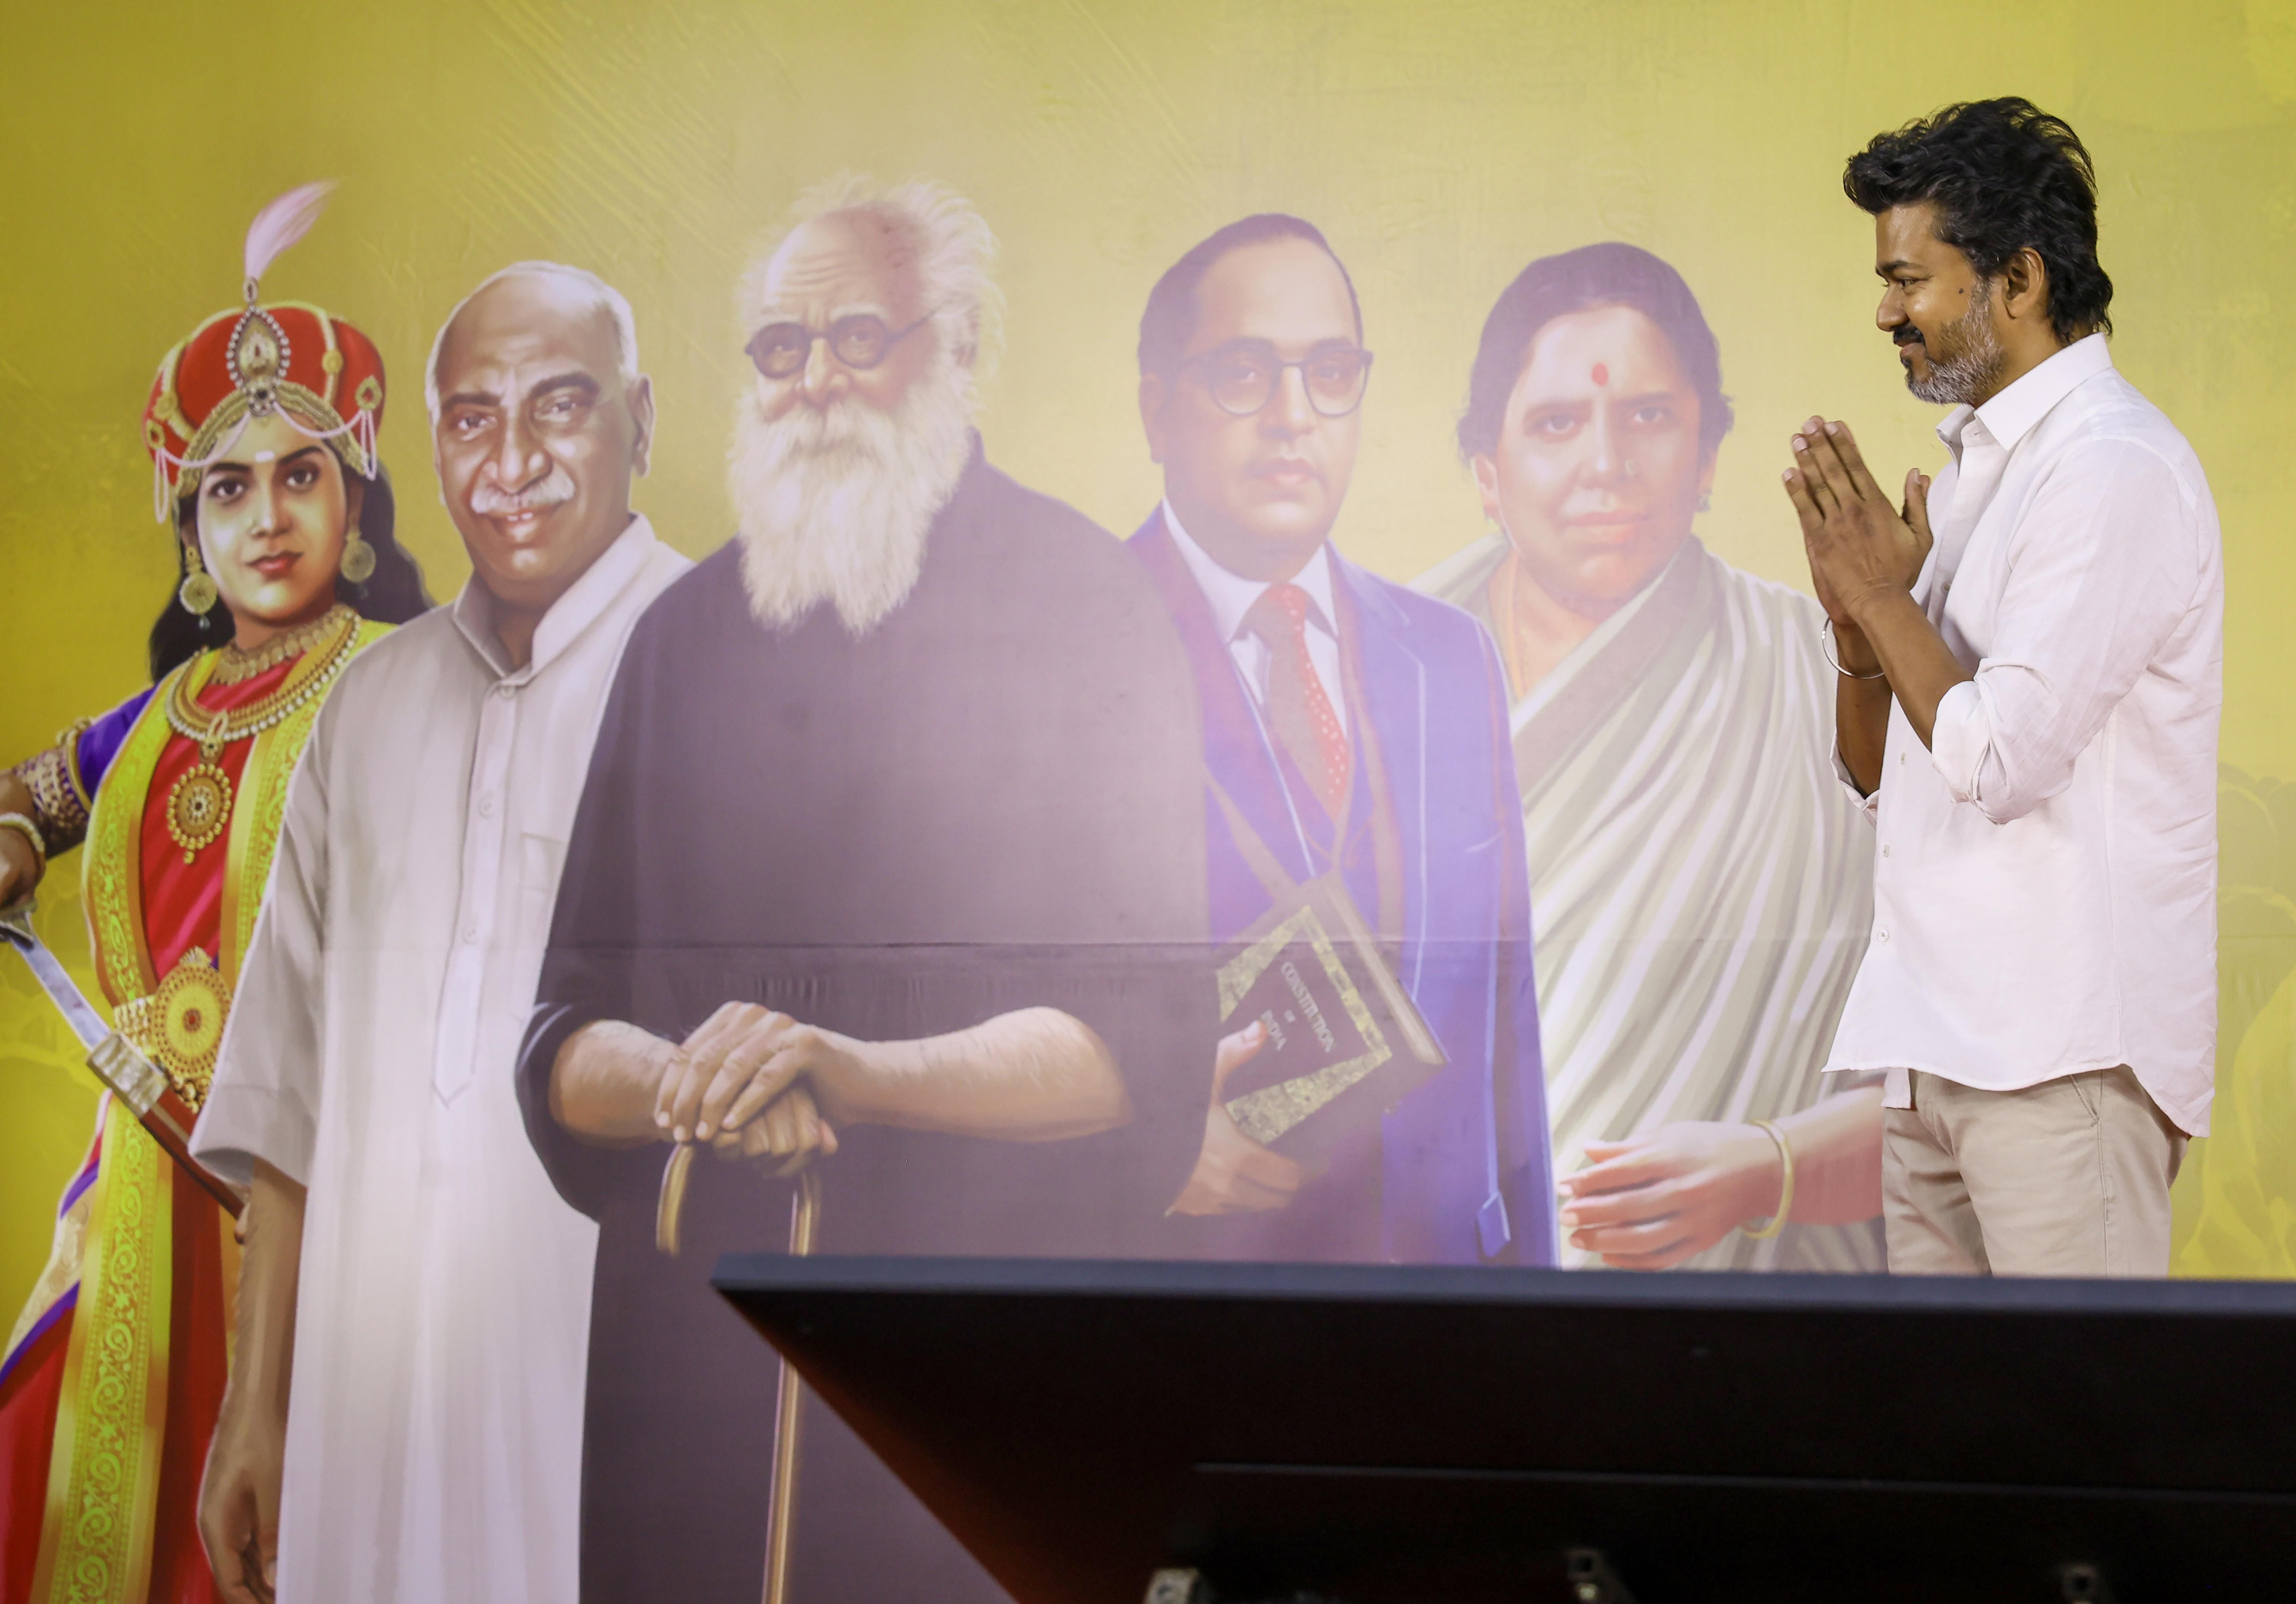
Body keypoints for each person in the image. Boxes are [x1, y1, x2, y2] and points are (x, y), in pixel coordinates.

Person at [516, 177, 1215, 1603]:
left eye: (857, 339)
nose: (814, 381)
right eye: (782, 349)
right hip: (690, 1394)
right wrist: (700, 1082)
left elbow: (1145, 1057)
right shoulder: (679, 636)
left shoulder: (1093, 606)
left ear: (958, 351)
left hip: (977, 1385)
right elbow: (558, 1046)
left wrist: (846, 1068)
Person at [187, 262, 689, 1604]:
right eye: (472, 418)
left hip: (615, 1415)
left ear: (642, 420)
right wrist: (255, 1405)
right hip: (371, 1424)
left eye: (560, 405)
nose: (510, 463)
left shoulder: (726, 667)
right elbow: (285, 1093)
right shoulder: (369, 709)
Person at [0, 185, 426, 1604]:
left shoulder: (404, 689)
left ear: (355, 501)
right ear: (191, 529)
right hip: (139, 1197)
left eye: (300, 475)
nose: (267, 517)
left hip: (324, 1196)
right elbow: (27, 795)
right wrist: (15, 835)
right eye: (227, 488)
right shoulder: (153, 717)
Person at [1783, 98, 2221, 1276]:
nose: (1886, 313)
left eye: (1908, 280)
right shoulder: (1983, 471)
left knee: (2080, 1402)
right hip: (1932, 1055)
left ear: (2018, 279)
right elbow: (1882, 782)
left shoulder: (2111, 468)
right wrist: (1859, 629)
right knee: (1947, 1404)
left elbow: (2002, 761)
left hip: (2060, 1064)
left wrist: (1886, 596)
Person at [1419, 243, 1885, 1272]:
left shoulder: (1826, 679)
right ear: (1488, 472)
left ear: (1708, 456)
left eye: (1648, 416)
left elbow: (1967, 1072)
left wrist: (1773, 1168)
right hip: (1437, 1306)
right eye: (1557, 423)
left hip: (1742, 1327)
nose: (1607, 463)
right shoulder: (1380, 673)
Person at [1127, 213, 1554, 1264]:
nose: (1292, 417)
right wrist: (1140, 1151)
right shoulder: (1067, 646)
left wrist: (1536, 1312)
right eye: (1243, 373)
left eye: (1329, 373)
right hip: (1191, 1294)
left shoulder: (1449, 656)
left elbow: (1507, 1024)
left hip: (1442, 1298)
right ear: (1156, 409)